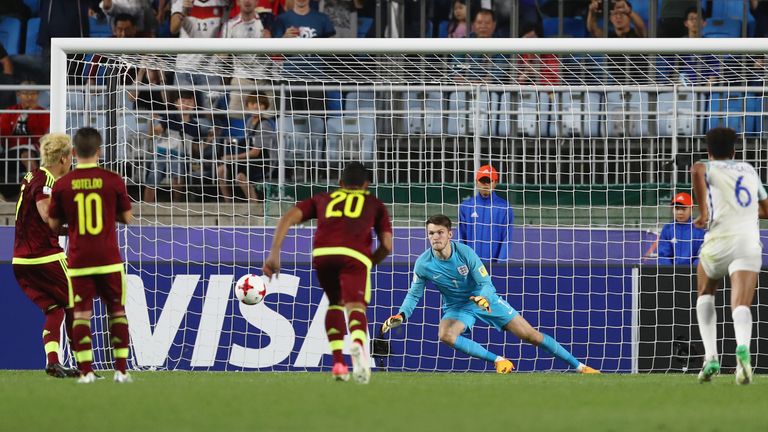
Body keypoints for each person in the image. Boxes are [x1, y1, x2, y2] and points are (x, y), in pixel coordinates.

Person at [381, 214, 600, 374]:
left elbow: (485, 282)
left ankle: (580, 367)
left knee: (531, 336)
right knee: (445, 335)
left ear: (450, 233)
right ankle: (498, 360)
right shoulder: (423, 263)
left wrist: (483, 297)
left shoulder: (465, 253)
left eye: (440, 232)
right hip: (457, 307)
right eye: (431, 233)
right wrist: (402, 315)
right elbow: (414, 294)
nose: (435, 237)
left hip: (485, 299)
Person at [263, 162, 392, 384]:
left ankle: (339, 363)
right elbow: (388, 245)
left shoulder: (323, 198)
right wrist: (369, 262)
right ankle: (358, 347)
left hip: (323, 255)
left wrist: (274, 252)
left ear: (340, 184)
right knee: (356, 306)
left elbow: (288, 218)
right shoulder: (374, 203)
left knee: (334, 303)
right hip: (354, 255)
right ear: (366, 185)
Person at [48, 127, 134, 383]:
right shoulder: (113, 180)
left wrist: (72, 222)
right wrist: (110, 216)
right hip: (108, 259)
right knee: (117, 311)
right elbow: (128, 218)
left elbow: (53, 226)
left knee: (82, 314)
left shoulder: (62, 184)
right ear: (100, 151)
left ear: (73, 152)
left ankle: (86, 372)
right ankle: (121, 371)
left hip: (79, 260)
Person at [692, 127, 768, 385]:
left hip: (719, 241)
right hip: (748, 242)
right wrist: (745, 212)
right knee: (742, 304)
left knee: (705, 290)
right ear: (734, 151)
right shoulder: (748, 169)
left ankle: (711, 356)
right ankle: (743, 352)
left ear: (708, 151)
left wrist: (703, 213)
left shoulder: (708, 167)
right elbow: (766, 210)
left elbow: (697, 171)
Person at [12, 133, 80, 378]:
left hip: (21, 261)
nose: (71, 162)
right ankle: (85, 364)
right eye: (70, 157)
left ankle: (53, 361)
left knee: (55, 309)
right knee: (77, 298)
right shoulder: (46, 180)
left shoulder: (32, 175)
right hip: (43, 256)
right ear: (63, 158)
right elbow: (44, 213)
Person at [143, 91, 202, 203]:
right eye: (183, 101)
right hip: (161, 155)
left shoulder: (195, 125)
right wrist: (151, 121)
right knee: (153, 176)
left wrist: (209, 139)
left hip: (179, 156)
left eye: (190, 102)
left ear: (194, 104)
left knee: (178, 174)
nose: (186, 105)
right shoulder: (169, 117)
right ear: (176, 104)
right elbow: (153, 134)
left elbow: (195, 149)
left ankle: (176, 204)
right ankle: (146, 205)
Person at [217, 93, 275, 203]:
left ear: (265, 107)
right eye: (253, 103)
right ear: (247, 106)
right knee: (221, 170)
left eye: (260, 104)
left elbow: (255, 152)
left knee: (240, 176)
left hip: (263, 162)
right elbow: (247, 143)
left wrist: (233, 157)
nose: (256, 107)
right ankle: (228, 203)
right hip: (250, 161)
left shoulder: (264, 125)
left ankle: (254, 204)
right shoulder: (249, 122)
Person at [0, 81, 51, 198]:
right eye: (26, 94)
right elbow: (3, 135)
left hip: (33, 151)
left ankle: (28, 193)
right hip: (10, 152)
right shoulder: (9, 112)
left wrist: (31, 113)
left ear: (38, 95)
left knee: (27, 155)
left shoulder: (43, 113)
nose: (30, 97)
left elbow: (39, 134)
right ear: (18, 94)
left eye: (33, 93)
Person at [458, 165, 514, 263]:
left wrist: (500, 266)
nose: (485, 184)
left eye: (489, 181)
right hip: (470, 266)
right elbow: (461, 238)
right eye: (482, 180)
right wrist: (463, 262)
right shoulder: (466, 206)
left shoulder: (504, 207)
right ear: (476, 182)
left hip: (494, 266)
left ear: (495, 183)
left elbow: (507, 239)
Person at [656, 192, 706, 266]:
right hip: (671, 274)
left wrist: (691, 271)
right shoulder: (667, 229)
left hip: (694, 274)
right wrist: (670, 272)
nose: (680, 212)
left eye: (683, 208)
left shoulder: (699, 230)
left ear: (691, 209)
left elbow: (702, 256)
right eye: (676, 208)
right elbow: (663, 256)